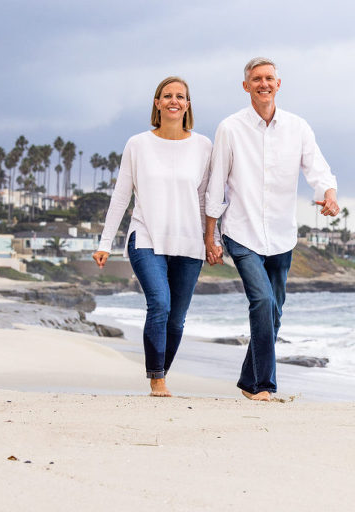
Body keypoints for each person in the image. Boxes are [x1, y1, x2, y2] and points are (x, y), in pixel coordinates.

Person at [204, 57, 339, 401]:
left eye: (269, 78)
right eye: (256, 79)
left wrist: (329, 195)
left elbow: (318, 169)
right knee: (262, 301)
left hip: (281, 235)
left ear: (278, 84)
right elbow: (216, 184)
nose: (263, 84)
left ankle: (248, 382)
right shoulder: (230, 128)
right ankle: (264, 385)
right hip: (241, 231)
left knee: (274, 310)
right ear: (246, 86)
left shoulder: (298, 127)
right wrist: (211, 236)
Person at [93, 76, 213, 397]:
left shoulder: (203, 146)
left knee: (176, 319)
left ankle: (161, 372)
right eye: (167, 95)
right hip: (145, 236)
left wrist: (211, 239)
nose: (174, 101)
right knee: (159, 303)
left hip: (189, 241)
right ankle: (157, 379)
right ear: (157, 103)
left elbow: (205, 199)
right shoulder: (138, 144)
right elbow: (121, 196)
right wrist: (105, 244)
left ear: (187, 105)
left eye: (180, 96)